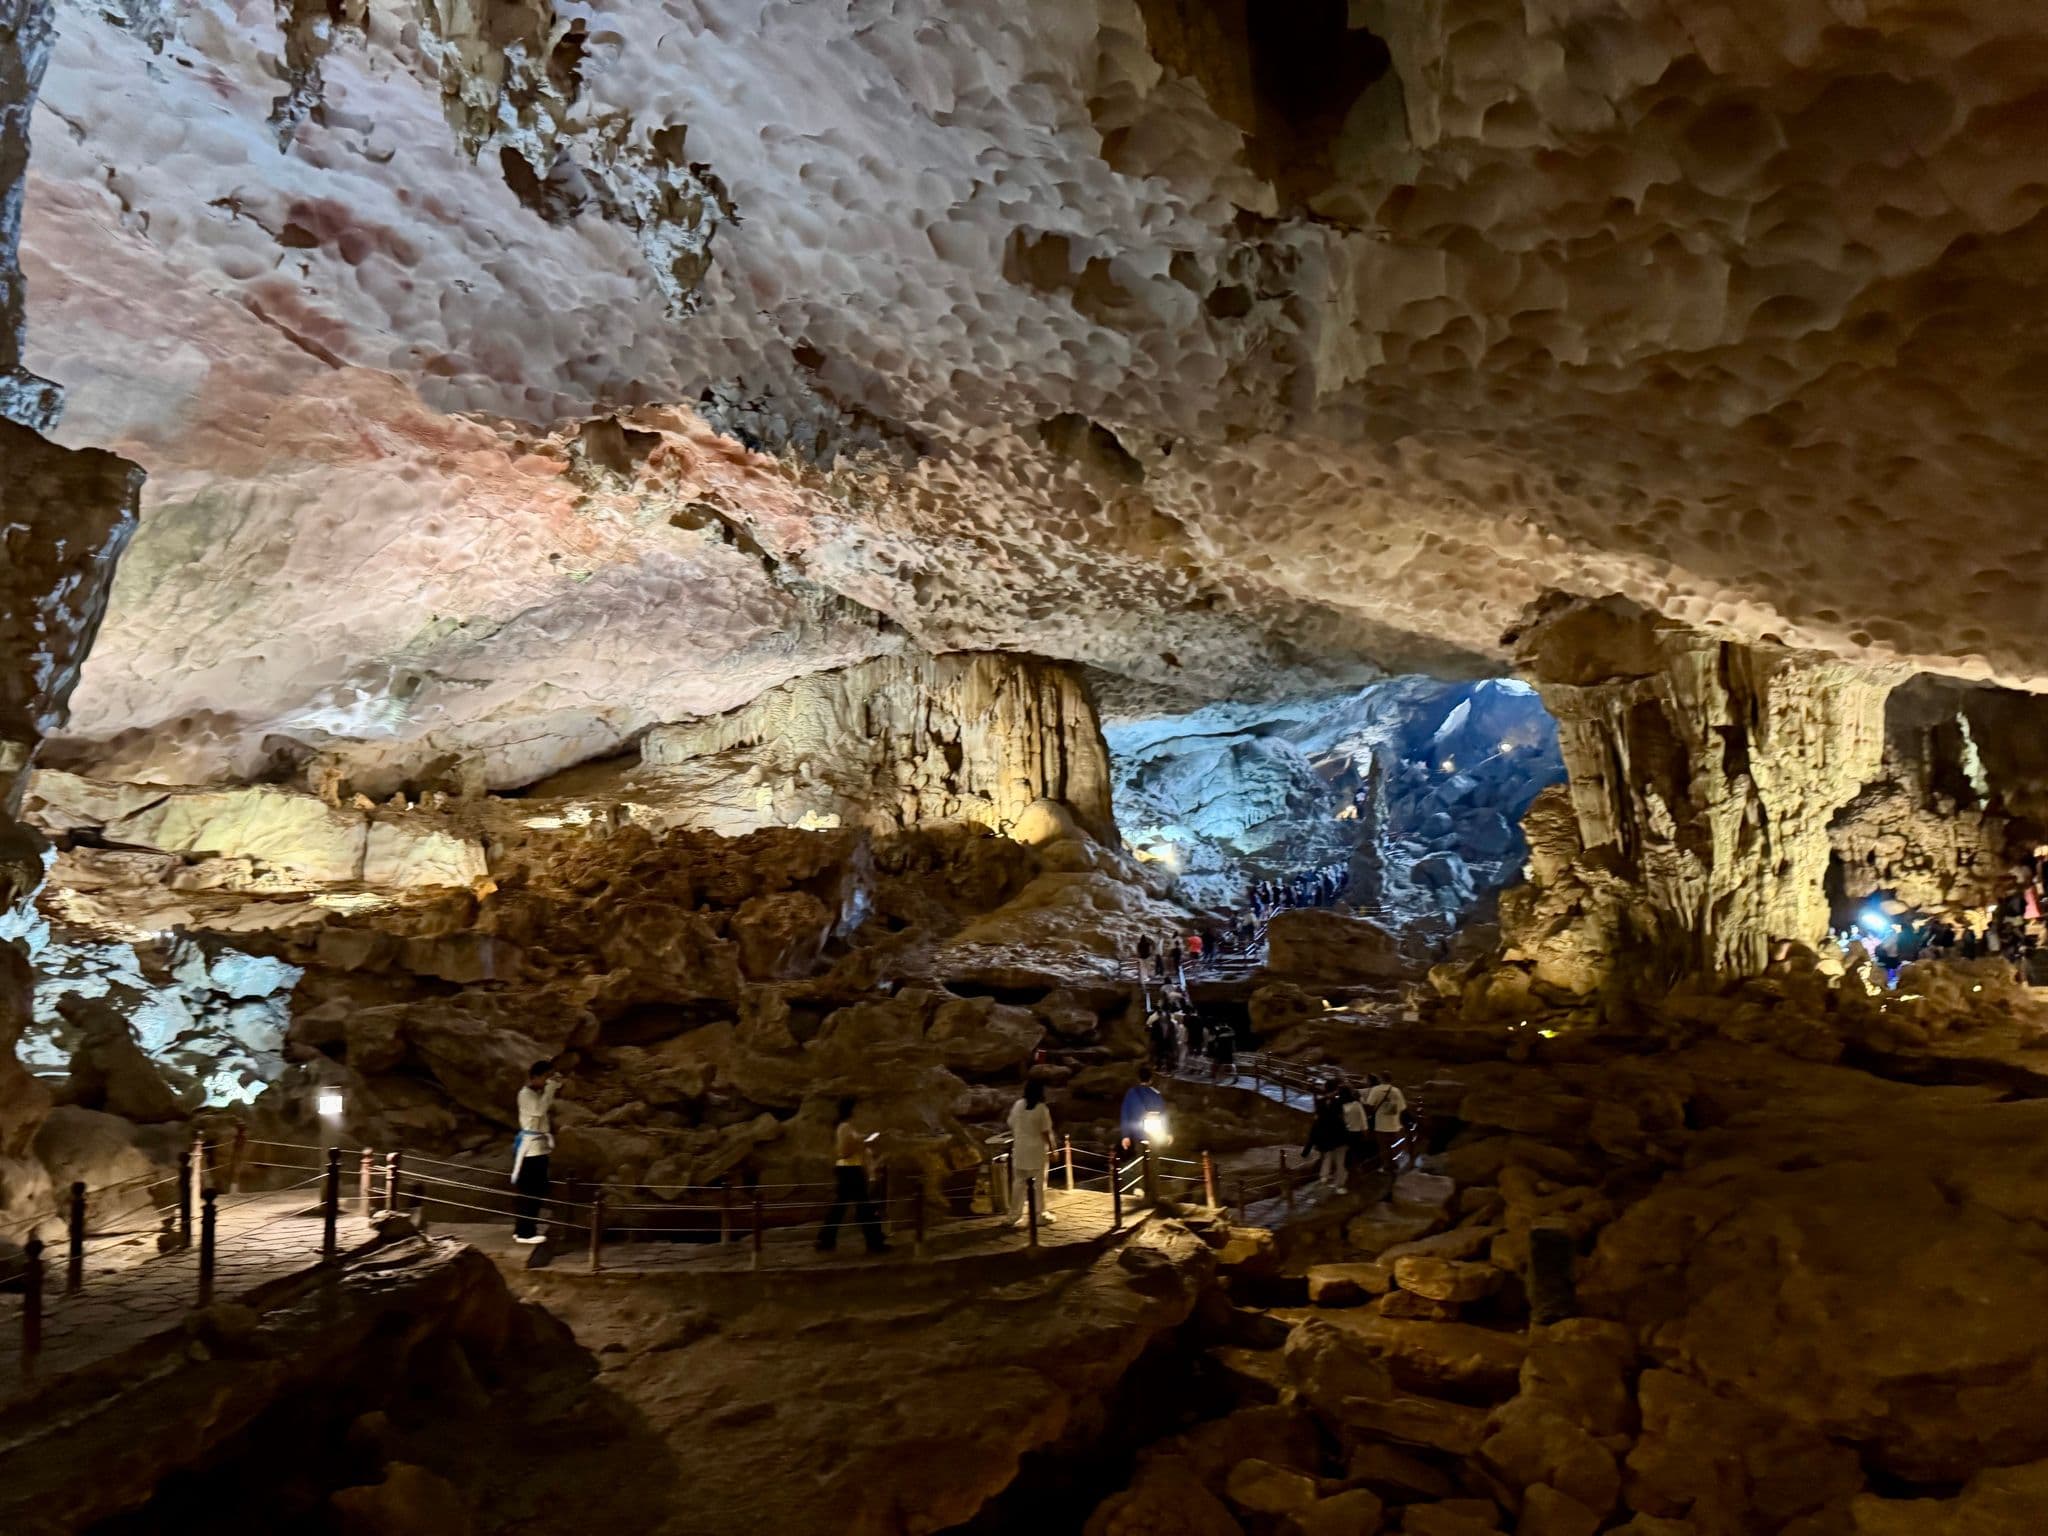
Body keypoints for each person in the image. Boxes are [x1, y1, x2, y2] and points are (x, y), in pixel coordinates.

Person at [817, 1097, 888, 1254]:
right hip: (850, 1170)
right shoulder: (844, 1127)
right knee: (863, 1206)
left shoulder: (846, 1127)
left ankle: (826, 1239)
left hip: (850, 1170)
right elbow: (843, 1151)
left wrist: (860, 1141)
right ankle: (874, 1241)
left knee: (842, 1207)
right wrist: (861, 1143)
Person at [512, 1058, 561, 1244]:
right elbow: (539, 1112)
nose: (549, 1080)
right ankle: (526, 1233)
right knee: (531, 1190)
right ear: (535, 1077)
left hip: (538, 1146)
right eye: (546, 1076)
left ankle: (522, 1229)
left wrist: (551, 1089)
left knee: (535, 1189)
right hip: (531, 1149)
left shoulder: (536, 1093)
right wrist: (550, 1090)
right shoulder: (525, 1094)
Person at [1006, 1078, 1057, 1226]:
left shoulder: (1018, 1105)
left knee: (1018, 1184)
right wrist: (1053, 1150)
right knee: (1038, 1184)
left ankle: (1014, 1216)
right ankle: (1038, 1214)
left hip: (1020, 1150)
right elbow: (1046, 1132)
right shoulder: (1041, 1108)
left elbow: (1011, 1123)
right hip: (1037, 1152)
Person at [1303, 1080, 1349, 1194]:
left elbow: (1317, 1121)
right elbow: (1343, 1120)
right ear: (1336, 1090)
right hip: (1339, 1137)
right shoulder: (1339, 1103)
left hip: (1326, 1137)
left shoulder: (1319, 1102)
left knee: (1327, 1158)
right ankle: (1339, 1186)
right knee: (1340, 1162)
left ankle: (1323, 1178)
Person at [1119, 1065, 1168, 1156]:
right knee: (1153, 1160)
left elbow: (1125, 1115)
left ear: (1138, 1078)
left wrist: (1125, 1136)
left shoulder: (1131, 1093)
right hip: (1155, 1135)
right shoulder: (1156, 1094)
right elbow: (1163, 1115)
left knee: (1140, 1161)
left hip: (1137, 1134)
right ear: (1151, 1080)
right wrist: (1166, 1132)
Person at [1364, 1073, 1408, 1173]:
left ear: (1380, 1079)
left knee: (1383, 1147)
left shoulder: (1376, 1090)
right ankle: (1397, 1165)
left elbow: (1370, 1105)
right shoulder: (1397, 1091)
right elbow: (1402, 1108)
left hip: (1381, 1125)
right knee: (1396, 1146)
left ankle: (1386, 1166)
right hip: (1395, 1125)